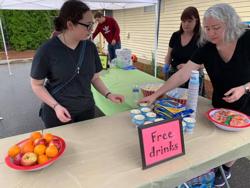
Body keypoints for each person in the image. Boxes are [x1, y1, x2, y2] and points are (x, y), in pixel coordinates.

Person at [140, 3, 250, 187]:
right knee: (217, 143)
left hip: (247, 104)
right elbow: (183, 73)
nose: (211, 33)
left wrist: (245, 88)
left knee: (236, 146)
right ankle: (219, 167)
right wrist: (156, 94)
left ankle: (226, 170)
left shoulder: (247, 39)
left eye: (216, 28)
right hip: (220, 105)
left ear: (230, 23)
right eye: (207, 28)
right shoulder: (207, 46)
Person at [30, 0, 125, 128]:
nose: (92, 30)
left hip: (86, 111)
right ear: (70, 24)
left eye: (92, 25)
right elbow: (36, 85)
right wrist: (56, 106)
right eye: (88, 25)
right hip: (58, 114)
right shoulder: (47, 50)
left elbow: (94, 77)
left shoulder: (90, 47)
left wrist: (108, 94)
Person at [163, 6, 204, 94]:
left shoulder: (202, 38)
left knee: (189, 102)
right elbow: (169, 55)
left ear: (196, 21)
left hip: (193, 77)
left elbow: (205, 63)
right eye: (183, 21)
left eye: (189, 21)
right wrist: (166, 65)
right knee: (170, 99)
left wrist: (187, 66)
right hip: (173, 74)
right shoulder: (175, 35)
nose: (186, 24)